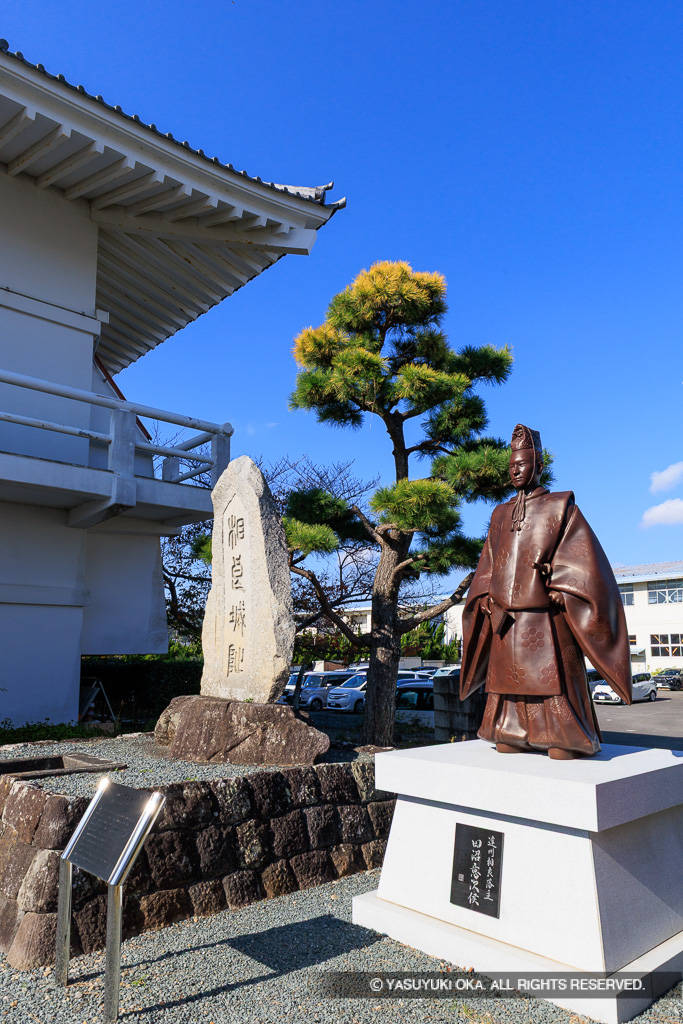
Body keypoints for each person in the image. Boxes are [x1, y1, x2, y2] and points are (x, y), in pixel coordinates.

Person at [460, 423, 632, 759]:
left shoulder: (561, 507)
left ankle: (563, 737)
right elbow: (487, 568)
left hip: (545, 620)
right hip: (504, 621)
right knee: (505, 685)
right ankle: (508, 732)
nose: (516, 471)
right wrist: (484, 599)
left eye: (522, 465)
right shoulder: (500, 513)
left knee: (551, 682)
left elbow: (585, 565)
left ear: (538, 466)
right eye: (511, 467)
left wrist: (560, 587)